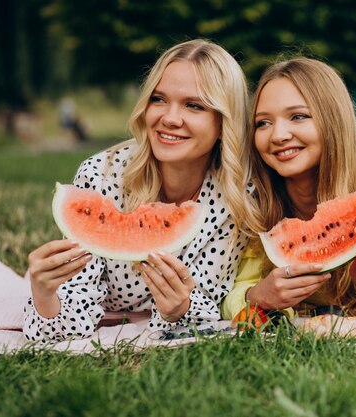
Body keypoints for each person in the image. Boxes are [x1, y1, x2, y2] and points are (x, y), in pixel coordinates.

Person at [24, 39, 252, 341]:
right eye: (158, 99)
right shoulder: (101, 174)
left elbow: (210, 309)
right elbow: (71, 310)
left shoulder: (235, 195)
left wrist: (181, 309)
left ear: (225, 122)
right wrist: (44, 295)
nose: (169, 118)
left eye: (194, 105)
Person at [221, 57, 356, 322]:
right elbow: (232, 294)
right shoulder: (257, 197)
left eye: (298, 116)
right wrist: (259, 297)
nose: (278, 135)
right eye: (263, 123)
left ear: (333, 120)